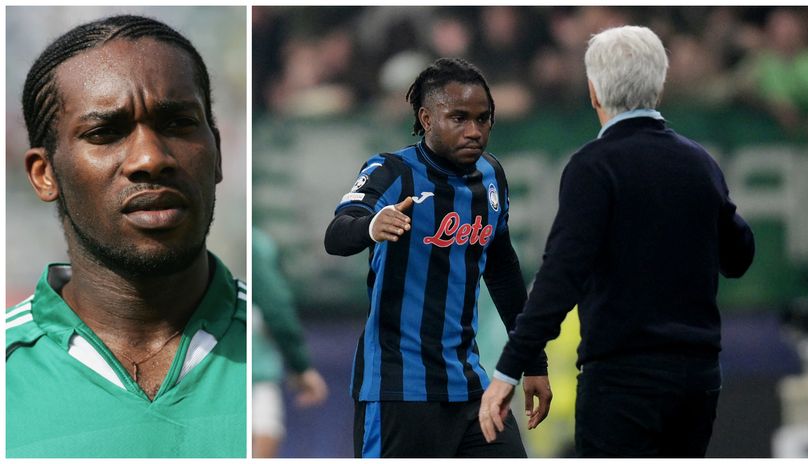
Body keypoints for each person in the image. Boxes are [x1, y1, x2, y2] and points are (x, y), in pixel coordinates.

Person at [479, 25, 755, 457]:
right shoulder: (699, 162)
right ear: (659, 87)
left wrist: (510, 368)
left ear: (594, 92)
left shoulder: (593, 166)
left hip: (622, 381)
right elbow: (739, 256)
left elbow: (560, 276)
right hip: (696, 382)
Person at [6, 15, 246, 458]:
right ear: (44, 174)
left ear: (217, 153)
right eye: (105, 133)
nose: (150, 158)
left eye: (178, 123)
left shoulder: (275, 351)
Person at [324, 57, 551, 458]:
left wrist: (534, 362)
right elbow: (337, 234)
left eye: (483, 119)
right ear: (426, 119)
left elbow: (503, 272)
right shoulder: (392, 172)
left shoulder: (492, 176)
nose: (474, 131)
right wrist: (371, 225)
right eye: (459, 118)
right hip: (398, 390)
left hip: (469, 386)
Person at [251, 227, 328, 458]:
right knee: (264, 431)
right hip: (249, 370)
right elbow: (275, 307)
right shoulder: (255, 244)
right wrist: (301, 366)